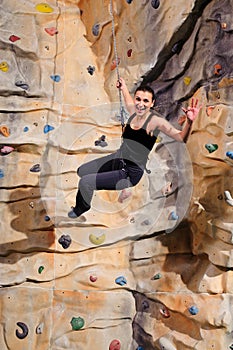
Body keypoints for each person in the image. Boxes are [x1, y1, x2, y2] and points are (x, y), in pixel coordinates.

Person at [68, 77, 201, 218]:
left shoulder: (155, 122)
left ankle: (82, 208)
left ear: (152, 103)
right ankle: (121, 189)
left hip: (130, 173)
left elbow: (180, 138)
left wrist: (190, 122)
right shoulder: (133, 112)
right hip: (118, 159)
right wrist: (123, 86)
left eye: (145, 101)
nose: (141, 104)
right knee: (82, 171)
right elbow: (127, 100)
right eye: (138, 99)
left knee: (86, 182)